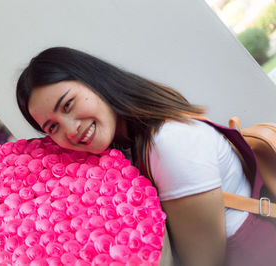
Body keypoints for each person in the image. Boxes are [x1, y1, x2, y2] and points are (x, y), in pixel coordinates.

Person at [16, 47, 276, 266]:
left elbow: (203, 262)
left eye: (68, 105)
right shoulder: (133, 142)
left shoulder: (168, 145)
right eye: (52, 127)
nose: (71, 130)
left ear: (95, 82)